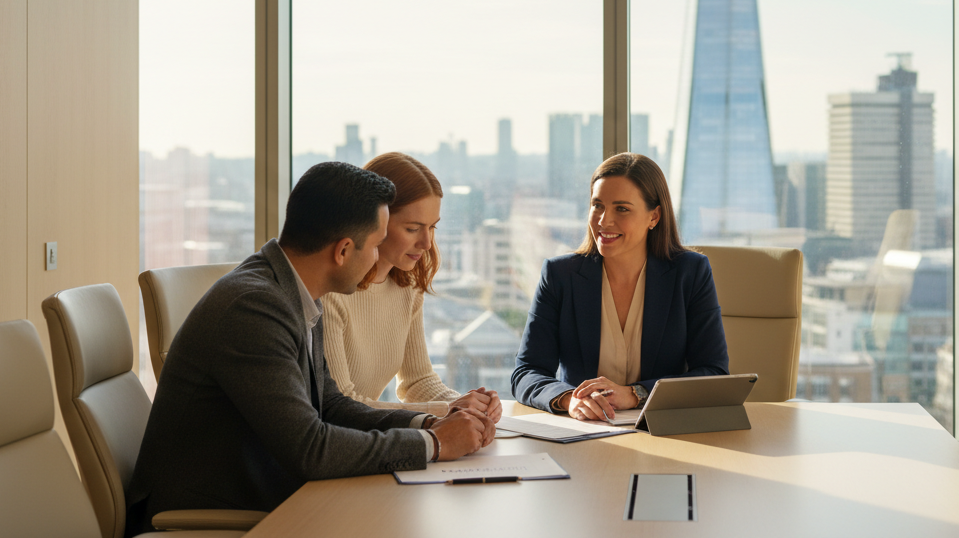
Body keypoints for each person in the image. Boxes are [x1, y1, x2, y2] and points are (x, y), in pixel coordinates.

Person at [126, 162, 493, 535]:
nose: (378, 259)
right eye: (378, 244)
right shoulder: (255, 307)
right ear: (343, 250)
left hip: (264, 490)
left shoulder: (291, 291)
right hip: (211, 508)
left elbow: (331, 405)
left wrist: (430, 423)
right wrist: (432, 444)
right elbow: (311, 449)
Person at [511, 152, 729, 421]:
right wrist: (570, 400)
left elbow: (713, 373)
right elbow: (526, 372)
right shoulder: (560, 276)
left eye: (621, 209)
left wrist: (636, 393)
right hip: (585, 433)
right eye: (597, 205)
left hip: (662, 433)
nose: (604, 221)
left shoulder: (690, 273)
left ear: (654, 216)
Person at [322, 152, 502, 421]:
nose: (427, 243)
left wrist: (468, 405)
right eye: (412, 228)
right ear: (374, 222)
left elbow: (417, 382)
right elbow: (342, 406)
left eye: (432, 227)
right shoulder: (331, 292)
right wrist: (446, 411)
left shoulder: (408, 286)